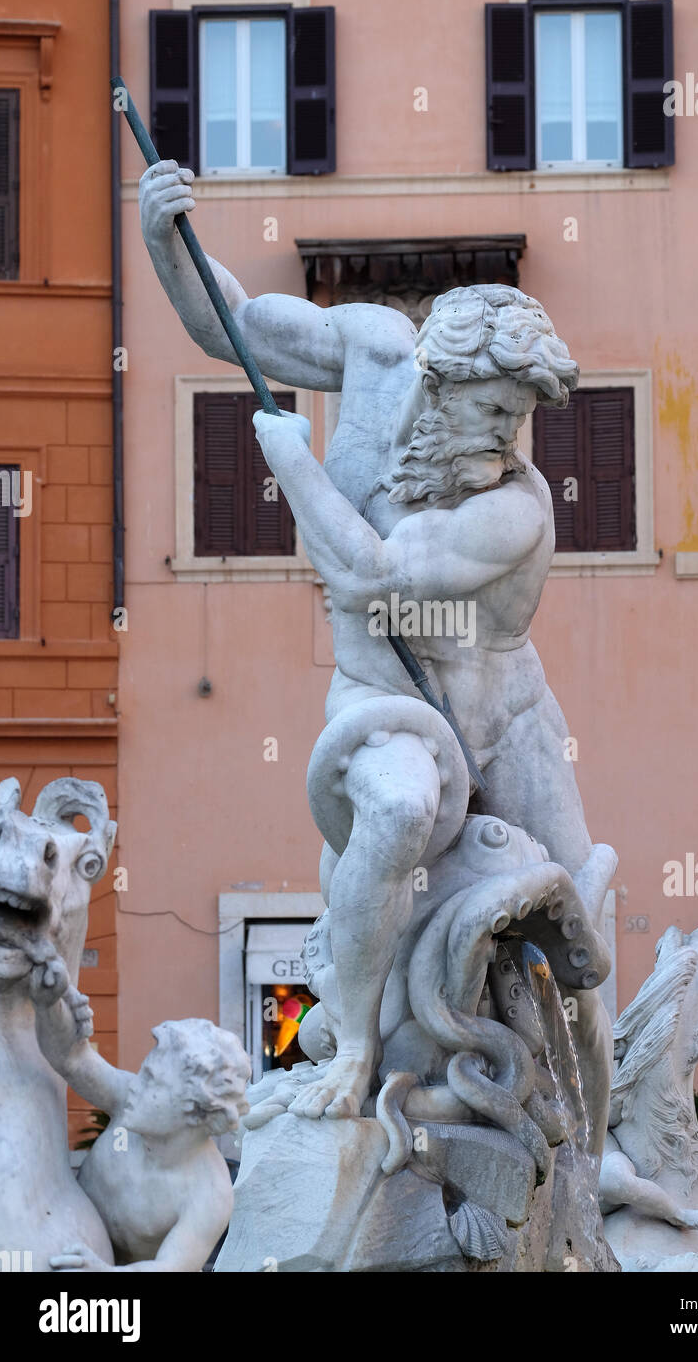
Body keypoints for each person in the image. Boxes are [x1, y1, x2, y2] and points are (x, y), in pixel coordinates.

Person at [138, 161, 617, 1140]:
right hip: (384, 701)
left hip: (504, 714)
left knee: (584, 959)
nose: (510, 436)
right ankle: (353, 1045)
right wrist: (160, 236)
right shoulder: (370, 351)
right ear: (438, 381)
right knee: (398, 810)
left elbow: (369, 577)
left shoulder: (513, 509)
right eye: (494, 409)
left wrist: (295, 470)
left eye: (520, 414)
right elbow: (229, 319)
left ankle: (591, 1150)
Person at [29, 957, 250, 1272]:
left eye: (152, 1082)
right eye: (143, 1073)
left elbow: (171, 1268)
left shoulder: (209, 1194)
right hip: (57, 1225)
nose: (135, 1086)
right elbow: (71, 1060)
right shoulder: (126, 1097)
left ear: (193, 1111)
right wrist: (50, 1008)